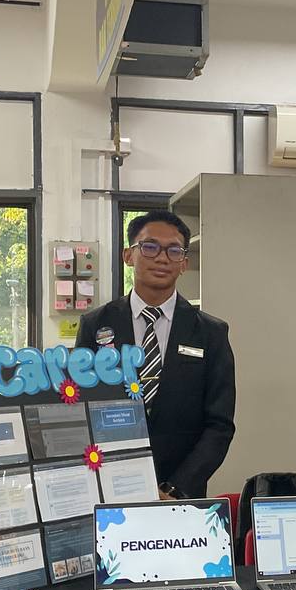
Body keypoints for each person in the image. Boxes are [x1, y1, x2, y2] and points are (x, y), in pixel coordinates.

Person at [76, 210, 235, 499]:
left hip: (181, 494)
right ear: (128, 255)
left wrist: (175, 487)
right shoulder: (95, 325)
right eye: (149, 247)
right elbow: (81, 411)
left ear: (184, 263)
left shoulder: (211, 333)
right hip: (109, 486)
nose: (162, 258)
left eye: (174, 250)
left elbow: (219, 425)